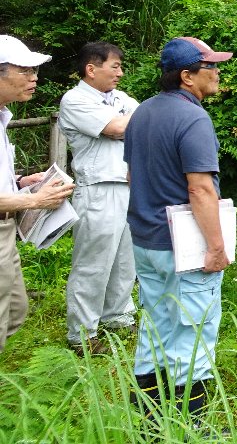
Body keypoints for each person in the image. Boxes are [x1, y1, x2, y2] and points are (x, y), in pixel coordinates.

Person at [124, 36, 233, 422]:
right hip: (184, 247)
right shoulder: (193, 118)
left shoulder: (142, 113)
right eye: (211, 67)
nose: (218, 72)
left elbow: (132, 174)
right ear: (187, 76)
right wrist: (216, 247)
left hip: (145, 239)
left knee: (155, 328)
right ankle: (193, 427)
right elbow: (200, 188)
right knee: (193, 333)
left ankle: (151, 425)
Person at [59, 41, 139, 354]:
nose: (120, 72)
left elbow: (139, 123)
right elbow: (117, 127)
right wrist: (141, 121)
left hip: (128, 187)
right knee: (93, 263)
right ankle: (82, 335)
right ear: (91, 69)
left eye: (120, 66)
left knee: (124, 260)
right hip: (97, 188)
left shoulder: (121, 98)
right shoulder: (75, 99)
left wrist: (140, 121)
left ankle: (119, 317)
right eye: (114, 66)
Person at [0, 35, 75, 353]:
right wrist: (35, 200)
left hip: (5, 231)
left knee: (15, 311)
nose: (34, 78)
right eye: (25, 70)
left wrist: (19, 181)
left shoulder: (2, 117)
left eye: (35, 70)